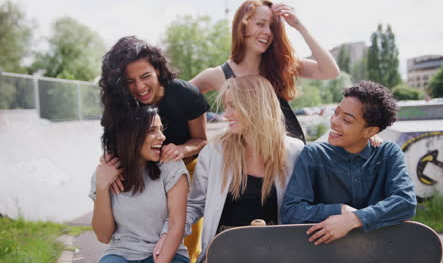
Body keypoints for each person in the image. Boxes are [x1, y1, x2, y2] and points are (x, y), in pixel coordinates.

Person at [160, 75, 304, 263]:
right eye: (226, 106)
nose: (225, 114)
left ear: (256, 106)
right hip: (222, 252)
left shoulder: (295, 152)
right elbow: (194, 205)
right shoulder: (214, 152)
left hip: (274, 253)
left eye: (233, 106)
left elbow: (304, 209)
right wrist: (167, 235)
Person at [99, 36, 209, 261]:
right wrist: (109, 163)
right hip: (140, 168)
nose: (139, 87)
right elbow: (113, 139)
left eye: (145, 76)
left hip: (183, 164)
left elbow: (201, 139)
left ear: (158, 70)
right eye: (130, 81)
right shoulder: (120, 101)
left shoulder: (185, 94)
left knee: (185, 234)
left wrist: (180, 150)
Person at [281, 80, 417, 245]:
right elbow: (291, 211)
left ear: (370, 131)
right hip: (324, 253)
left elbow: (406, 202)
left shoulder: (388, 153)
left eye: (346, 120)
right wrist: (340, 210)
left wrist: (354, 219)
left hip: (379, 251)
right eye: (336, 112)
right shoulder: (313, 154)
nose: (334, 121)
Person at [190, 0, 340, 143]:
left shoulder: (283, 64)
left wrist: (299, 26)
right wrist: (194, 141)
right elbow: (178, 96)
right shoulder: (217, 75)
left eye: (272, 27)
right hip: (246, 162)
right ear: (242, 26)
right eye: (260, 24)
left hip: (289, 157)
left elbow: (331, 72)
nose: (268, 32)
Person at [89, 105, 189, 263]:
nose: (162, 137)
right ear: (129, 135)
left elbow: (177, 224)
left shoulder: (171, 166)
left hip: (166, 253)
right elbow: (103, 236)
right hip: (121, 253)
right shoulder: (105, 174)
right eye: (152, 130)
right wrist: (102, 187)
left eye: (161, 129)